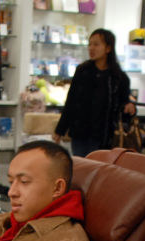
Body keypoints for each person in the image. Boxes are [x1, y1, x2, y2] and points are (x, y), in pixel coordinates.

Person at [52, 28, 136, 157]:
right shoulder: (82, 71)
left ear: (108, 48)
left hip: (105, 135)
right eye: (90, 44)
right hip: (80, 133)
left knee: (98, 170)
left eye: (96, 44)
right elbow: (71, 102)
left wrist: (129, 107)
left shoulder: (119, 77)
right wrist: (60, 130)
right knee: (81, 168)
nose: (91, 48)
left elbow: (124, 106)